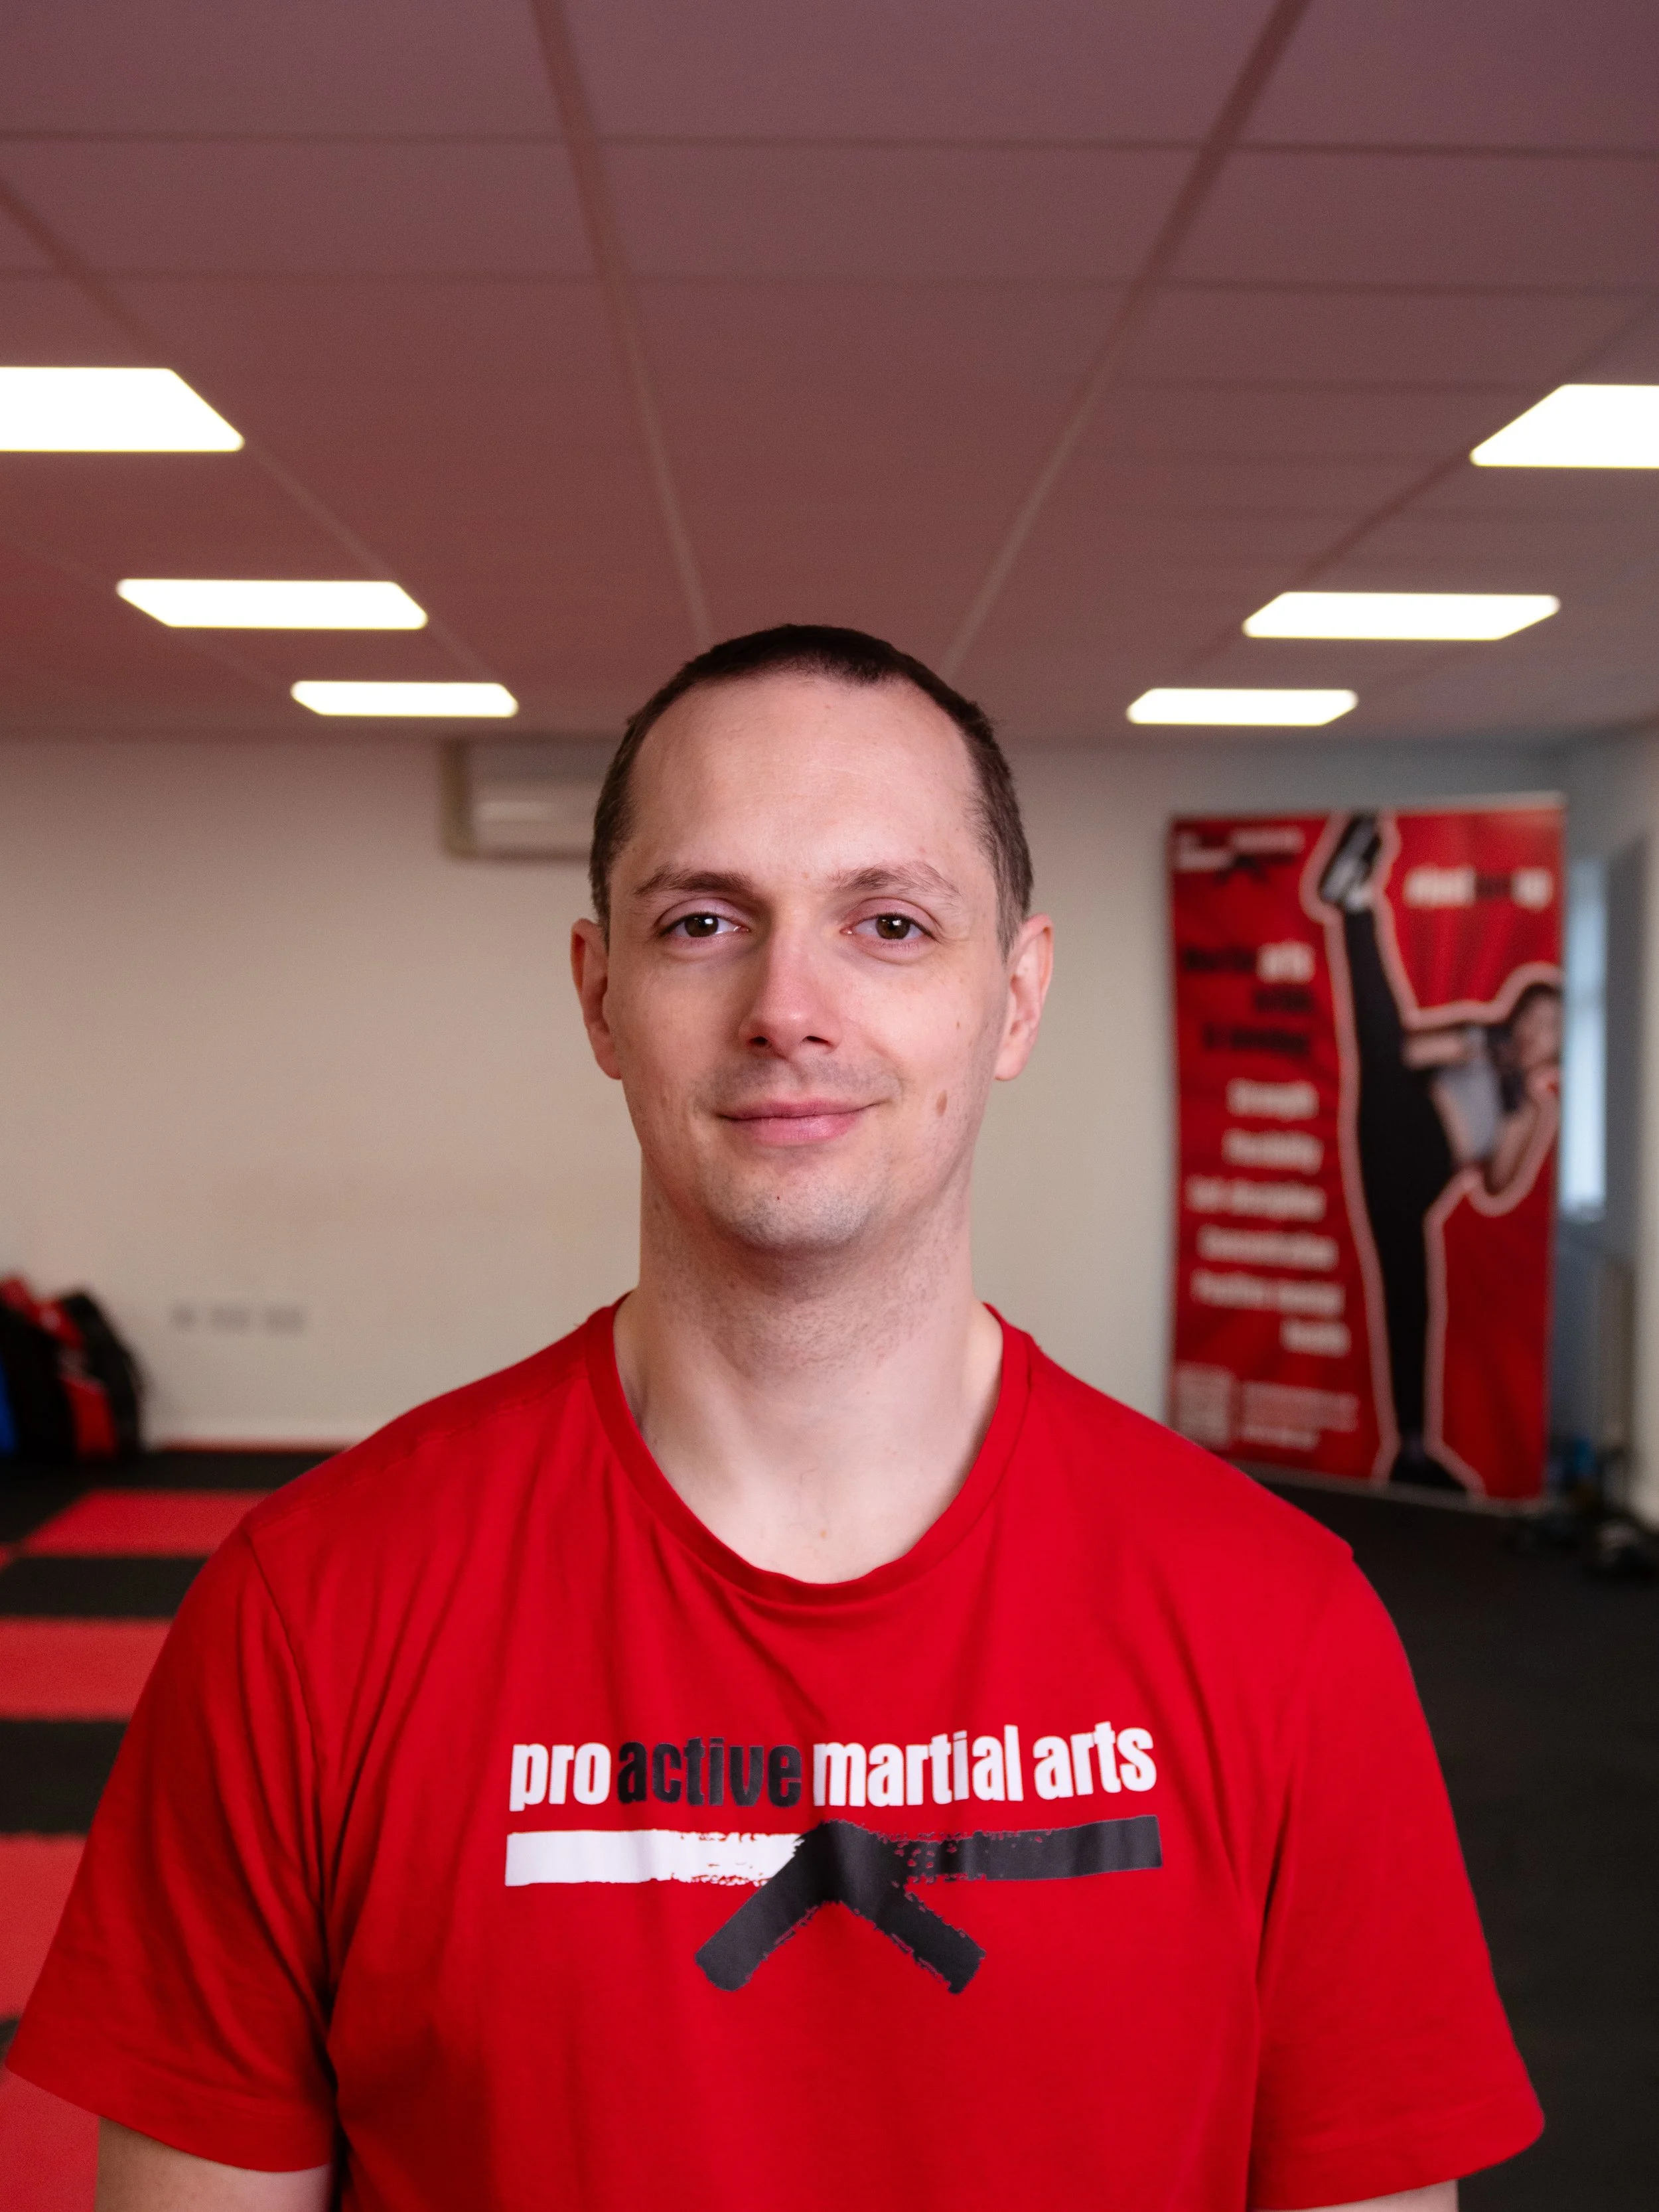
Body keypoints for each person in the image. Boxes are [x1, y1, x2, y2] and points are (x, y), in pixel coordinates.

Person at [11, 627, 1541, 2210]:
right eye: (701, 922)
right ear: (601, 1000)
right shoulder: (312, 1615)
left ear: (1012, 1002)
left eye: (888, 923)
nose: (786, 1006)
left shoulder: (1280, 1627)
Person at [1318, 814, 1562, 1490]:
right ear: (1518, 1016)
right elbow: (1406, 1051)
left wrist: (1517, 1110)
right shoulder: (1482, 1034)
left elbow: (1497, 1185)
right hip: (1398, 1117)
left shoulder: (1536, 1106)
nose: (1537, 1032)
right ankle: (1356, 901)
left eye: (1551, 1029)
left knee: (1412, 1297)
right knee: (1380, 1036)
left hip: (1420, 1178)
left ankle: (1414, 1451)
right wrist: (1475, 1043)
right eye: (1534, 1017)